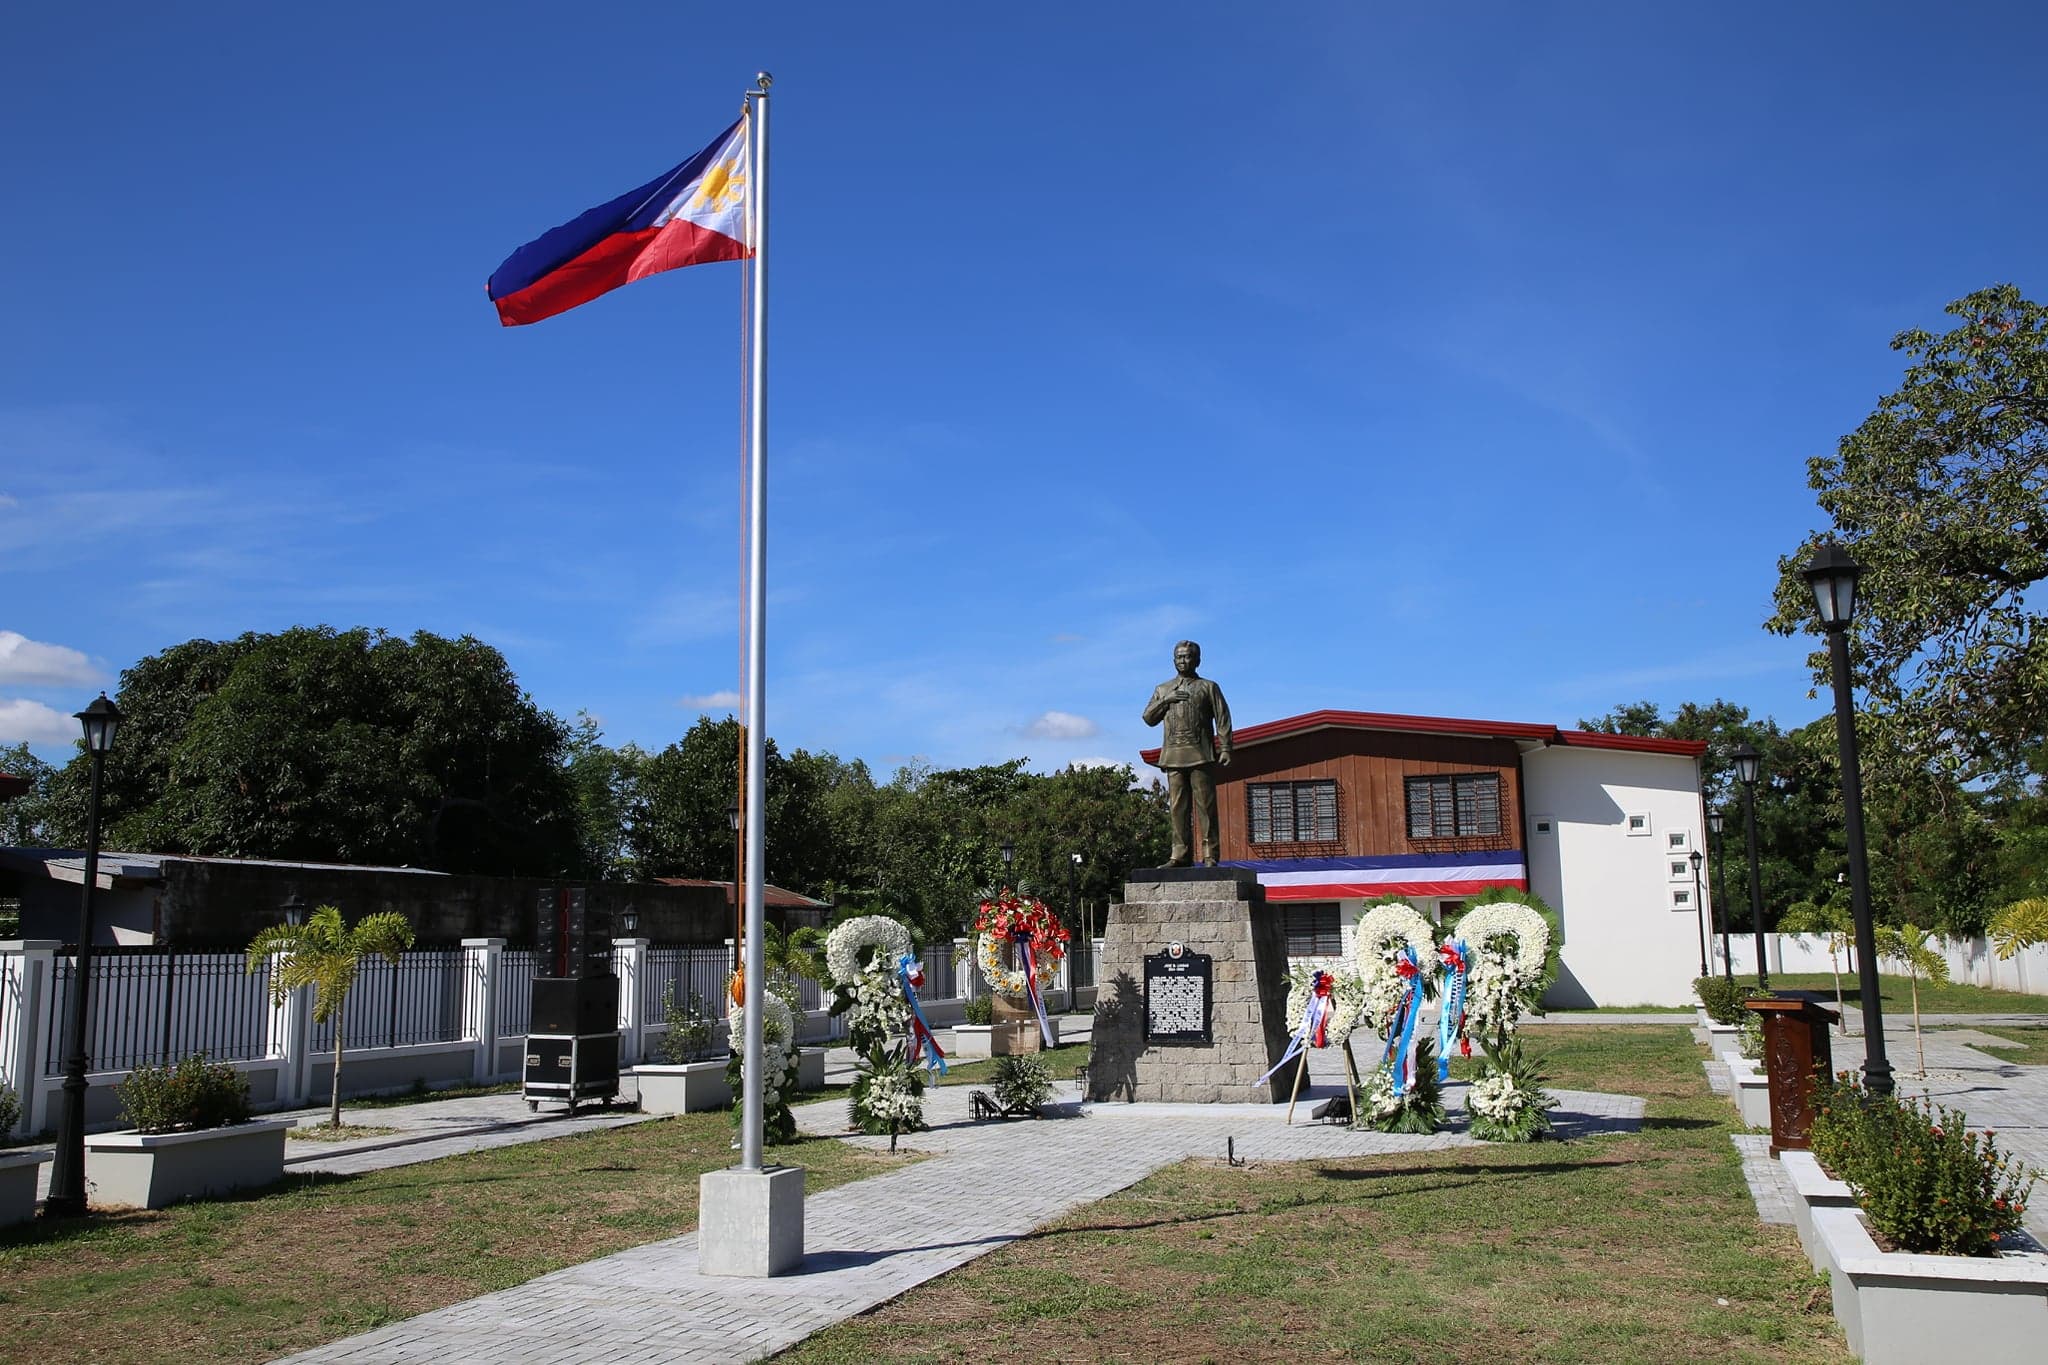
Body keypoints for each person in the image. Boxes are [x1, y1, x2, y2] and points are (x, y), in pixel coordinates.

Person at [1142, 640, 1233, 866]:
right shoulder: (1163, 689)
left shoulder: (1208, 687)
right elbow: (1148, 718)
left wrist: (1226, 747)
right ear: (1174, 661)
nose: (1183, 661)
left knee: (1206, 807)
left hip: (1200, 754)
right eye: (1179, 657)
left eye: (1188, 657)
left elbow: (1222, 717)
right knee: (1177, 809)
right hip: (1173, 755)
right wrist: (1166, 700)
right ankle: (1179, 855)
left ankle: (1210, 854)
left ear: (1198, 660)